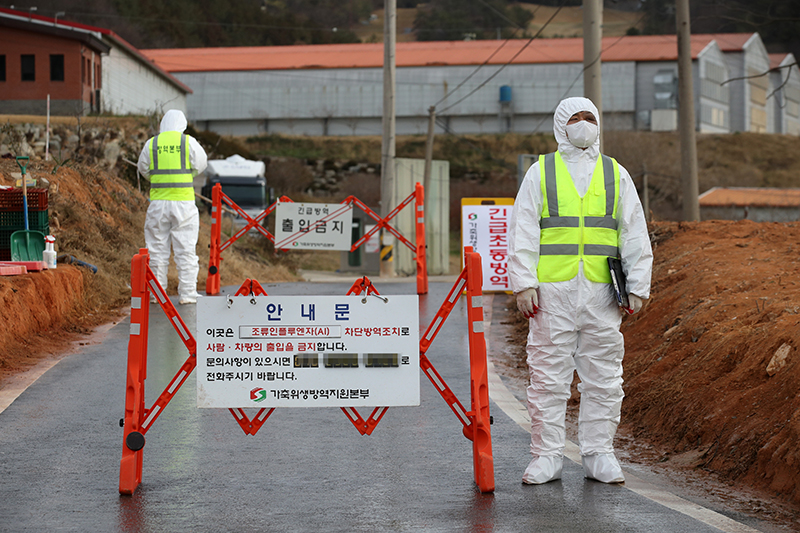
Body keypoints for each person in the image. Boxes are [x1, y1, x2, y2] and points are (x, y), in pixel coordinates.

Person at [508, 97, 653, 485]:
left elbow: (633, 232)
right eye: (576, 118)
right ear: (560, 125)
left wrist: (637, 285)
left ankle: (598, 453)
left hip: (603, 292)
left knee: (604, 375)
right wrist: (523, 282)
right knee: (548, 377)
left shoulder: (615, 173)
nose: (584, 124)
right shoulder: (541, 173)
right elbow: (523, 230)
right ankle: (546, 456)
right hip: (551, 294)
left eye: (590, 118)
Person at [137, 109, 208, 305]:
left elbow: (143, 169)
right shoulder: (187, 142)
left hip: (158, 203)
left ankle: (157, 294)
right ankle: (187, 294)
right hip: (183, 203)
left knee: (157, 250)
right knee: (185, 250)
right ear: (182, 125)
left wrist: (157, 179)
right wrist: (189, 174)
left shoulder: (152, 143)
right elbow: (201, 164)